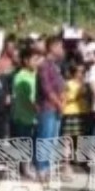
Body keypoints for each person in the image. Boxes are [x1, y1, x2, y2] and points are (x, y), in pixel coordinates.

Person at [33, 37, 66, 178]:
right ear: (52, 47)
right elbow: (46, 88)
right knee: (45, 137)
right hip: (48, 107)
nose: (62, 50)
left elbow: (60, 85)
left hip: (57, 107)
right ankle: (41, 168)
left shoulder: (55, 65)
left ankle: (48, 167)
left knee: (52, 138)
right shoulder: (44, 65)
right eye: (60, 47)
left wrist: (63, 100)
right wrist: (58, 103)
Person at [11, 48, 42, 179]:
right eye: (34, 59)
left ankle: (30, 166)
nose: (37, 62)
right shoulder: (20, 76)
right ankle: (24, 168)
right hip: (23, 116)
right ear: (25, 60)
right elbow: (24, 98)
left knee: (33, 143)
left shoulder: (36, 74)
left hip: (35, 116)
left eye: (38, 59)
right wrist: (36, 108)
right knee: (24, 142)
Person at [60, 62, 88, 181]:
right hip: (70, 113)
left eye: (83, 72)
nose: (81, 74)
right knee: (67, 140)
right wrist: (76, 96)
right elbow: (64, 99)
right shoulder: (68, 84)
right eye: (78, 72)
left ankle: (78, 161)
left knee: (80, 139)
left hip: (83, 112)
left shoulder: (85, 84)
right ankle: (66, 164)